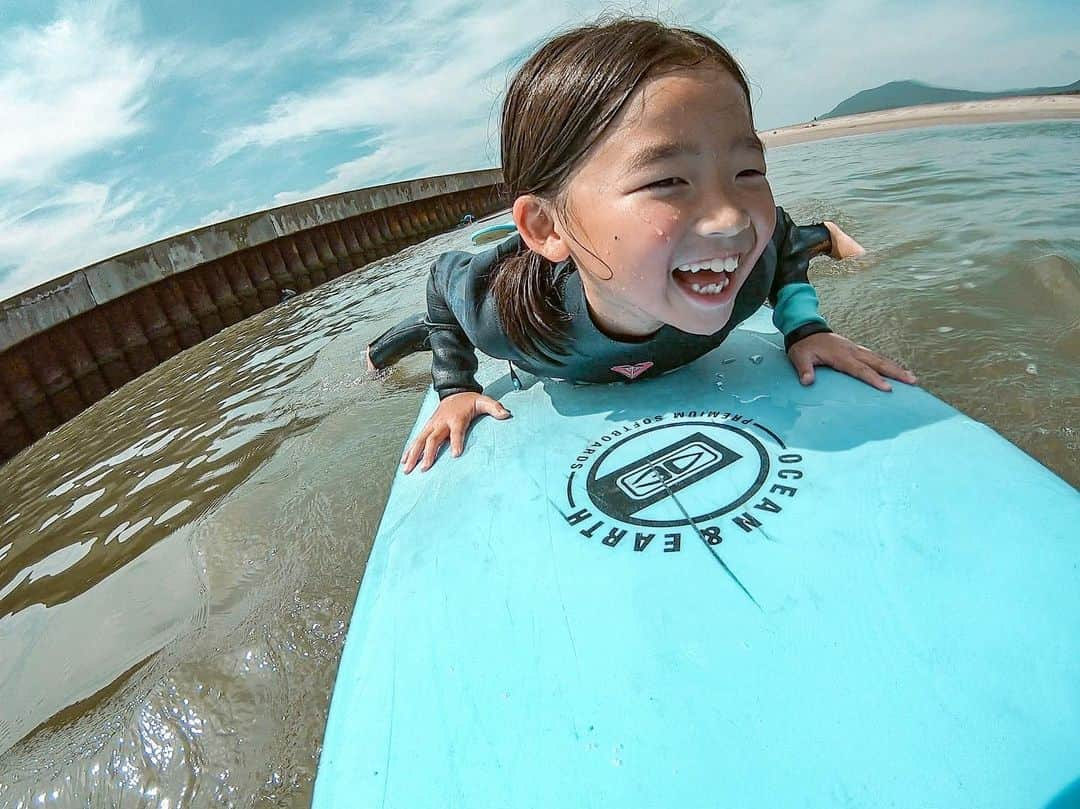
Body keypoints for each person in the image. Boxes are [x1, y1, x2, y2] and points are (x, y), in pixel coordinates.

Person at [367, 17, 916, 473]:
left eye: (748, 170)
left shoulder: (747, 274)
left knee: (786, 239)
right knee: (417, 337)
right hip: (531, 283)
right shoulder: (507, 323)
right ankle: (377, 354)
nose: (729, 217)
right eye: (666, 181)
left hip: (664, 263)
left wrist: (805, 329)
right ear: (545, 227)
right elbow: (443, 278)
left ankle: (832, 235)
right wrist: (454, 386)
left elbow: (781, 242)